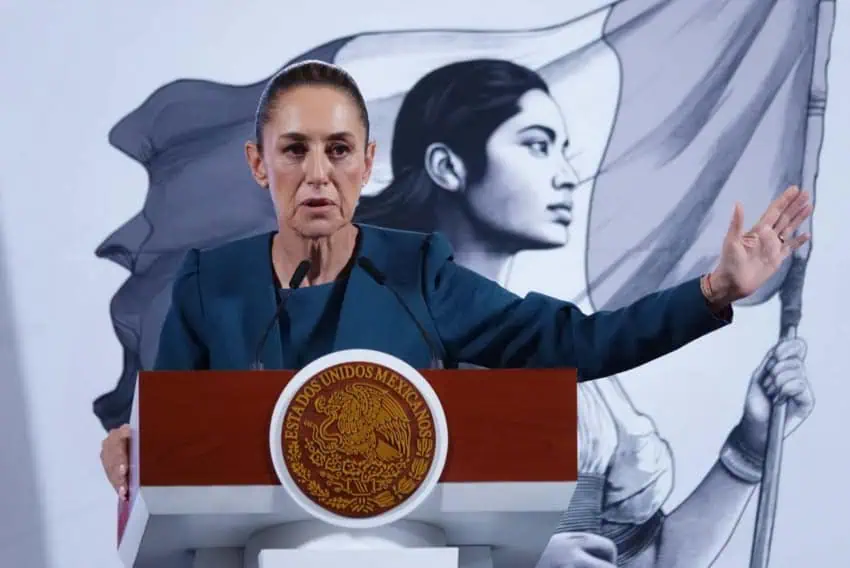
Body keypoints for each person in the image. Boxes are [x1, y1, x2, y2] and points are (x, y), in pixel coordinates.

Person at [100, 59, 812, 565]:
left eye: (339, 150)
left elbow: (577, 341)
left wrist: (716, 289)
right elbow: (172, 443)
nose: (317, 173)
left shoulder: (419, 272)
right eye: (295, 150)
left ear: (365, 161)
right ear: (261, 165)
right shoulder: (206, 284)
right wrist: (134, 444)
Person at [355, 59, 815, 567]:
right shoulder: (358, 360)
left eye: (563, 150)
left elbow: (652, 560)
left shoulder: (584, 392)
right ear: (447, 167)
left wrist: (749, 447)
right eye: (536, 144)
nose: (569, 176)